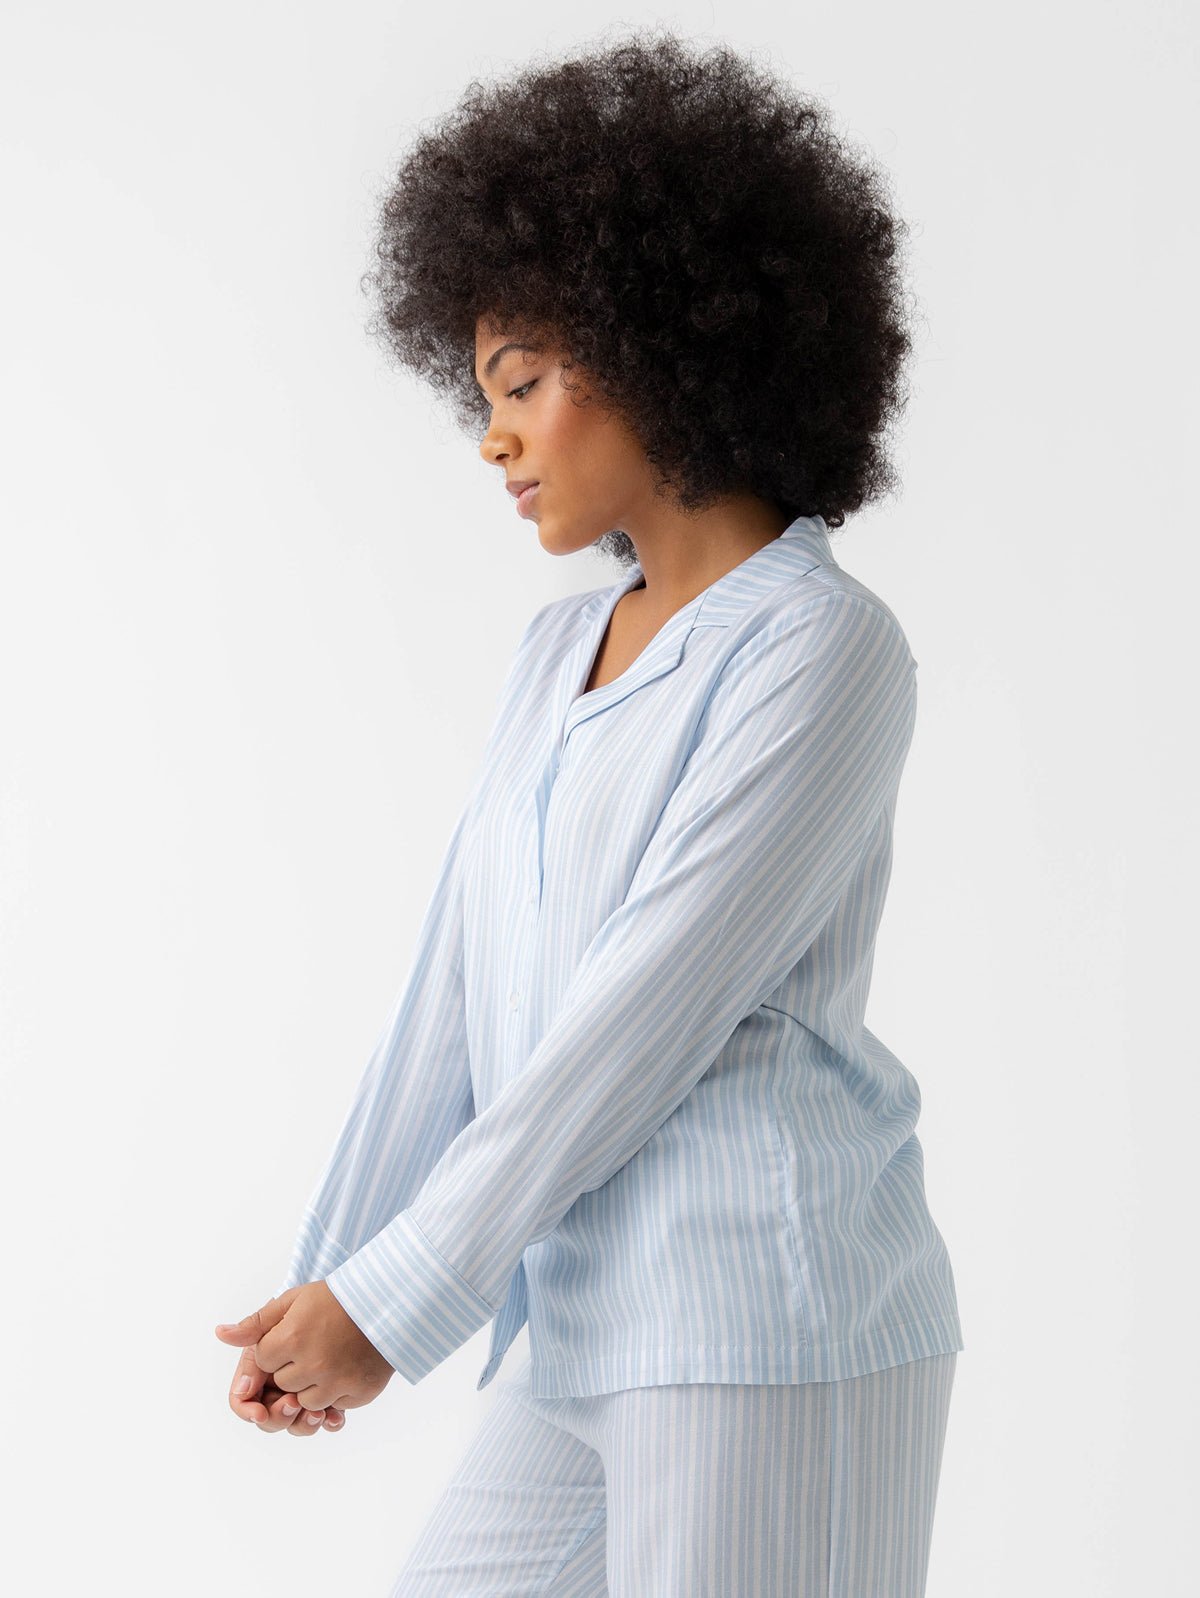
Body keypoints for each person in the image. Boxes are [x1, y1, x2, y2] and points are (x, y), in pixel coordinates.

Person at [216, 28, 964, 1596]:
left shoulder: (822, 648)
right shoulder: (557, 648)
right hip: (573, 1323)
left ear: (668, 347)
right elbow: (460, 992)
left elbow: (641, 1010)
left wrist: (400, 1294)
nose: (492, 433)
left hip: (768, 1315)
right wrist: (336, 1280)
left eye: (529, 382)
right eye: (484, 388)